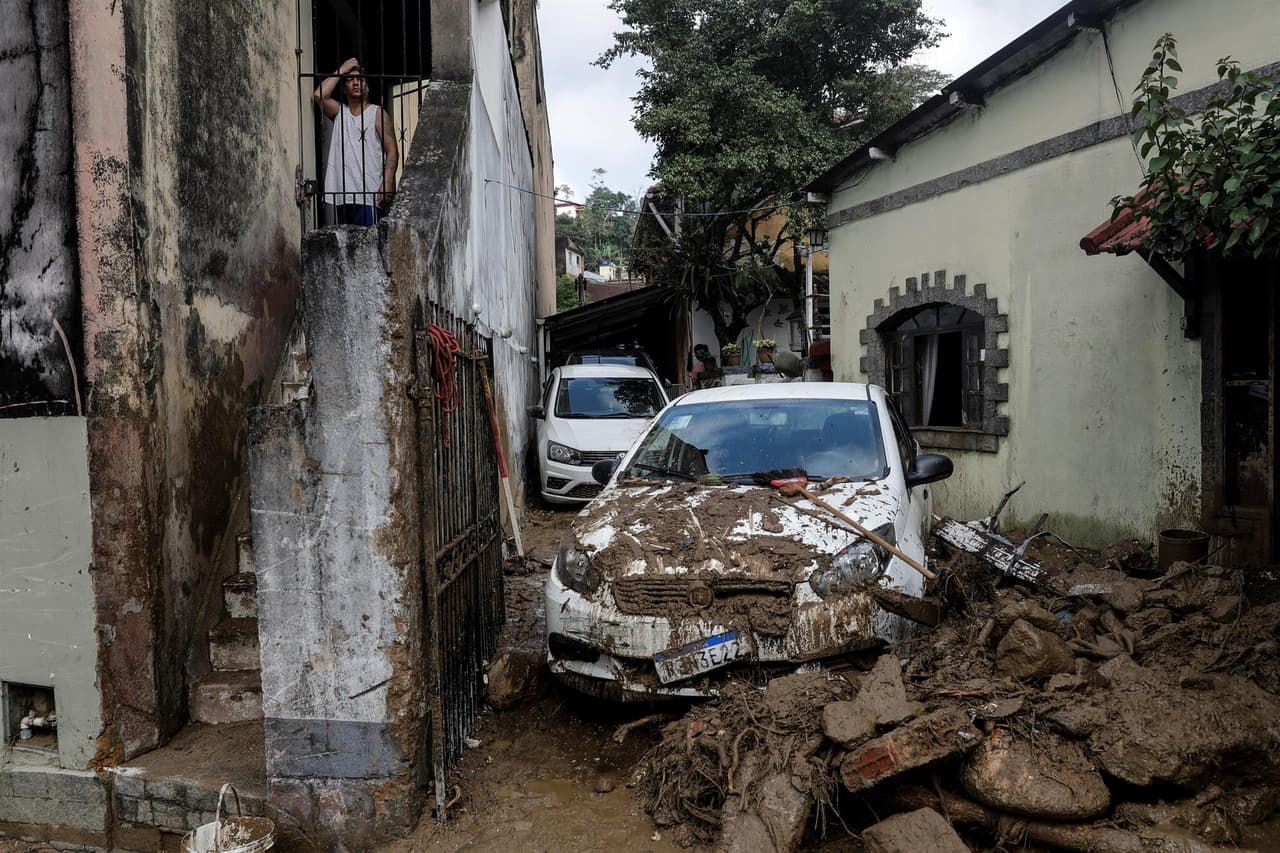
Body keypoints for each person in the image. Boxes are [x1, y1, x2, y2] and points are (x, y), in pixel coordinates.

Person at [313, 57, 399, 226]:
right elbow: (318, 95)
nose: (356, 83)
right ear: (344, 88)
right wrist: (343, 68)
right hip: (344, 195)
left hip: (370, 194)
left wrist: (388, 182)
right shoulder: (340, 113)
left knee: (371, 245)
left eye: (360, 79)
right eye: (350, 80)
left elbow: (392, 151)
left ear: (367, 85)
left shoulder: (377, 113)